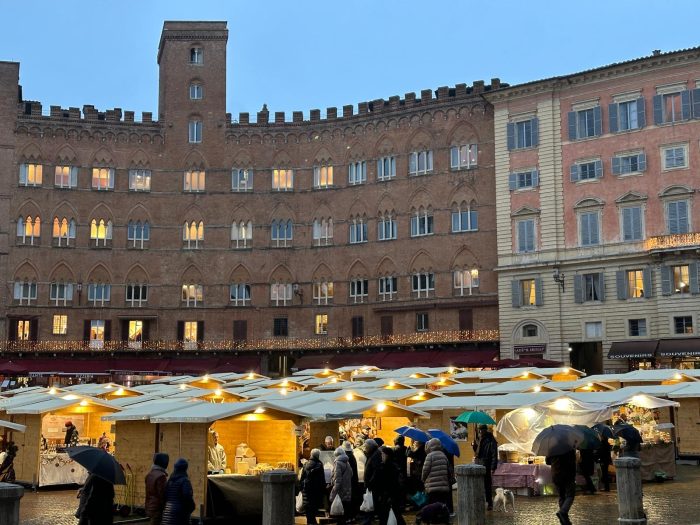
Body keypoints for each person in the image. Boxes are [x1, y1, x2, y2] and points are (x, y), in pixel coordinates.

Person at [374, 446, 406, 525]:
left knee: (390, 514)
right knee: (394, 513)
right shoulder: (391, 465)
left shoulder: (389, 467)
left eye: (383, 454)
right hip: (389, 495)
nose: (381, 456)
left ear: (387, 455)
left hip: (389, 495)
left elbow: (391, 482)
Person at [546, 449, 576, 525]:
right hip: (568, 474)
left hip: (556, 474)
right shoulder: (569, 449)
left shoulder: (552, 448)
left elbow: (547, 462)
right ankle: (563, 512)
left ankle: (563, 518)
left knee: (562, 496)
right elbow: (572, 461)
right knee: (570, 495)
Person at [161, 458, 195, 525]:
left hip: (167, 514)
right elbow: (187, 496)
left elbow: (165, 495)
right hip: (180, 515)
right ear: (185, 468)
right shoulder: (185, 481)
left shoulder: (170, 481)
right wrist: (191, 507)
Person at [421, 438, 452, 510]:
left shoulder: (429, 456)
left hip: (432, 486)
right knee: (441, 504)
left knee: (432, 505)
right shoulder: (444, 455)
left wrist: (423, 479)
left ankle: (434, 518)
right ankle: (440, 517)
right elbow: (449, 470)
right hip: (443, 486)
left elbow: (425, 470)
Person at [474, 424, 498, 510]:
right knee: (478, 484)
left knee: (487, 485)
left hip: (486, 464)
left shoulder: (490, 440)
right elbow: (478, 452)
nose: (480, 432)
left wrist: (493, 467)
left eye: (481, 430)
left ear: (485, 430)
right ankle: (480, 502)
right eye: (479, 430)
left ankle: (489, 503)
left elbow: (494, 454)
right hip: (478, 463)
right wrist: (474, 446)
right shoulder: (480, 438)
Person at [300, 448, 326, 525]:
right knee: (313, 506)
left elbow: (302, 477)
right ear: (318, 456)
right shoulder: (319, 465)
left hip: (306, 489)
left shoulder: (306, 464)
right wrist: (323, 489)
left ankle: (310, 521)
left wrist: (301, 488)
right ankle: (312, 522)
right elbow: (321, 479)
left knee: (308, 506)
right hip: (315, 490)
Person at [360, 439, 382, 525]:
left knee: (372, 502)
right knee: (371, 502)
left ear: (370, 447)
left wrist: (370, 482)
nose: (365, 448)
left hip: (373, 485)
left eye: (366, 447)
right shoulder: (372, 453)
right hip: (371, 484)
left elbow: (376, 471)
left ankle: (367, 521)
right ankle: (368, 520)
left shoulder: (375, 454)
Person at [330, 447, 353, 525]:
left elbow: (337, 478)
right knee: (344, 509)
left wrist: (334, 490)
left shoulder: (338, 463)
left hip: (340, 489)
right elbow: (351, 474)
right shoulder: (347, 462)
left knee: (339, 509)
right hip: (347, 488)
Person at [145, 453, 169, 525]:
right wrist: (165, 506)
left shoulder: (150, 474)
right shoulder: (161, 476)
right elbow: (162, 494)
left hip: (149, 505)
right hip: (157, 508)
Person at [343, 440, 361, 518]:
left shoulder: (346, 457)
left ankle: (349, 516)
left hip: (349, 481)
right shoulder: (352, 455)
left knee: (348, 500)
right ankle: (352, 516)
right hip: (353, 480)